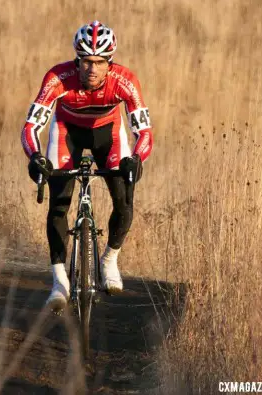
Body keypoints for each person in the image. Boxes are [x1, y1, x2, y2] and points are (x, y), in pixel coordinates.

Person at [20, 20, 153, 312]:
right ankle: (59, 282)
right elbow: (31, 126)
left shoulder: (125, 81)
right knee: (59, 204)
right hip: (68, 132)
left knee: (124, 199)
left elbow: (143, 132)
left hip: (109, 134)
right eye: (85, 62)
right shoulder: (58, 78)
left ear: (110, 62)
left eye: (99, 62)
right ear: (77, 60)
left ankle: (109, 260)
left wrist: (136, 159)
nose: (92, 69)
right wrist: (36, 157)